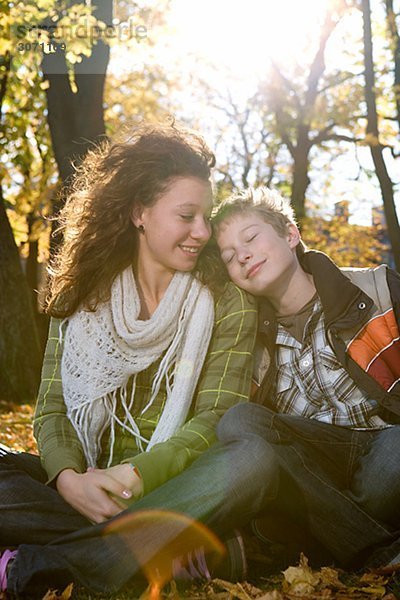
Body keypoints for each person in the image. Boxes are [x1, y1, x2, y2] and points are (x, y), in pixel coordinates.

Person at [0, 122, 260, 595]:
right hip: (83, 485)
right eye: (186, 215)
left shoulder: (226, 299)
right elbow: (52, 407)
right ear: (140, 212)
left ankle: (48, 560)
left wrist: (138, 476)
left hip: (173, 486)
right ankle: (165, 550)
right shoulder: (83, 294)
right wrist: (67, 479)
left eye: (206, 216)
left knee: (252, 463)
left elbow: (215, 419)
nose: (202, 232)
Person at [210, 185, 400, 571]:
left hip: (385, 447)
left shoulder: (376, 289)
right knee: (240, 420)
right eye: (229, 257)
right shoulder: (250, 343)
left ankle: (326, 531)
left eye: (250, 238)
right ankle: (375, 549)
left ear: (290, 234)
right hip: (314, 468)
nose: (242, 254)